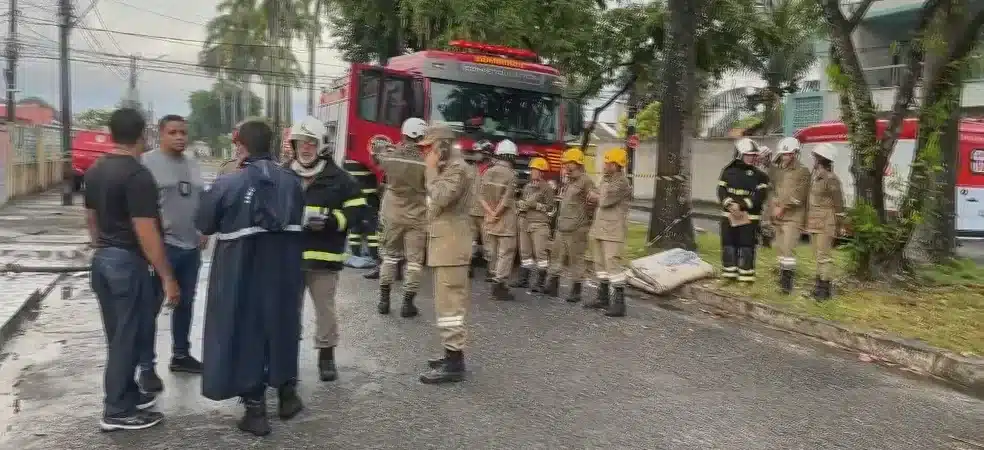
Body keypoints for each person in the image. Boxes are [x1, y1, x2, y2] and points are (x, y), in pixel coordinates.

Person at [196, 119, 306, 436]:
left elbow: (205, 222)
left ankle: (256, 411)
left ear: (241, 146)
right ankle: (287, 396)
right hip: (284, 270)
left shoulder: (229, 183)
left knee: (246, 331)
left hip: (242, 271)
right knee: (283, 326)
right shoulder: (293, 181)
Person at [84, 107, 176, 431]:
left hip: (103, 261)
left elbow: (92, 219)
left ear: (111, 133)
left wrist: (102, 247)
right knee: (128, 337)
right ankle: (117, 411)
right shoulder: (137, 175)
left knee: (118, 336)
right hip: (126, 263)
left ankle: (127, 394)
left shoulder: (95, 170)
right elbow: (145, 230)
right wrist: (166, 276)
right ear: (144, 135)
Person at [287, 115, 365, 381]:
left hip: (324, 258)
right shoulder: (283, 175)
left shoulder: (341, 179)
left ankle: (326, 357)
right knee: (288, 311)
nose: (305, 148)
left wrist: (333, 221)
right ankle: (286, 358)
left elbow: (357, 212)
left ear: (321, 145)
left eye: (311, 142)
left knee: (325, 311)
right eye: (301, 143)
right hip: (289, 258)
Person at [135, 115, 206, 395]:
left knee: (185, 303)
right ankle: (147, 367)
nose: (179, 137)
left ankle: (180, 355)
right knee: (150, 307)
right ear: (161, 134)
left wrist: (203, 229)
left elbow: (199, 200)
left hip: (191, 247)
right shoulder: (146, 163)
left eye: (183, 132)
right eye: (173, 132)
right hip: (161, 248)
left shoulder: (192, 163)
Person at [418, 122, 473, 384]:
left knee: (451, 305)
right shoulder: (448, 170)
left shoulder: (457, 170)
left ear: (442, 146)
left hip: (452, 247)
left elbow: (440, 198)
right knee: (445, 304)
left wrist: (430, 170)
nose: (424, 153)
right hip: (445, 246)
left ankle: (455, 363)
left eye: (428, 148)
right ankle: (451, 355)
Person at [374, 118, 428, 316]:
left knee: (389, 257)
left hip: (393, 214)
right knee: (414, 262)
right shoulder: (426, 161)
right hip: (417, 216)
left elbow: (376, 159)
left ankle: (384, 301)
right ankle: (407, 304)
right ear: (422, 136)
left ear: (404, 134)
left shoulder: (392, 156)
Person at [544, 148, 596, 303]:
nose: (565, 167)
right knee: (556, 256)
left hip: (577, 229)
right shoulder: (568, 182)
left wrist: (586, 217)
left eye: (568, 163)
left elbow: (594, 200)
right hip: (562, 227)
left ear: (578, 164)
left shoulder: (586, 181)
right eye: (565, 163)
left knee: (576, 259)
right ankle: (552, 285)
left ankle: (576, 290)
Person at [586, 148, 632, 317]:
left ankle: (619, 304)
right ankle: (603, 297)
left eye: (607, 162)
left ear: (615, 165)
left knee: (613, 265)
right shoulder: (605, 179)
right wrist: (596, 195)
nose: (604, 164)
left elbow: (604, 200)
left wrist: (597, 195)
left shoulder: (621, 183)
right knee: (600, 265)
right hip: (599, 228)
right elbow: (593, 195)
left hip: (613, 230)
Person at [717, 138, 770, 283]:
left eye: (753, 155)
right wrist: (730, 205)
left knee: (747, 247)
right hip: (729, 215)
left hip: (750, 217)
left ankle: (746, 278)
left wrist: (741, 206)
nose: (751, 158)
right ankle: (729, 275)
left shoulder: (760, 175)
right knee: (728, 245)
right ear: (740, 154)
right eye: (748, 155)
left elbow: (760, 196)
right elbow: (721, 190)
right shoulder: (728, 171)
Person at [769, 137, 811, 294]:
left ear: (794, 154)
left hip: (793, 217)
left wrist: (783, 207)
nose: (784, 157)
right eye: (783, 154)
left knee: (788, 250)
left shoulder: (803, 172)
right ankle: (780, 276)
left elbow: (799, 196)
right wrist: (774, 205)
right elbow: (773, 188)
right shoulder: (779, 170)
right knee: (780, 248)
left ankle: (787, 285)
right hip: (778, 214)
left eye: (787, 154)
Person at [481, 139, 519, 300]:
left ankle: (495, 277)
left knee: (494, 252)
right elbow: (507, 200)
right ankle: (499, 285)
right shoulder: (511, 175)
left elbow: (480, 196)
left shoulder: (488, 172)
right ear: (511, 156)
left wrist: (490, 213)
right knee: (506, 253)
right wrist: (497, 213)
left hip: (489, 219)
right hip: (505, 220)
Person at [806, 143, 845, 301]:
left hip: (826, 221)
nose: (813, 160)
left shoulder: (831, 179)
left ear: (821, 159)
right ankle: (818, 288)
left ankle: (824, 291)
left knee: (824, 256)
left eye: (815, 157)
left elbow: (839, 204)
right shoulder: (816, 177)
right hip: (815, 220)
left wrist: (840, 225)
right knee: (817, 255)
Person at [513, 156, 555, 291]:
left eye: (535, 170)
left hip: (539, 224)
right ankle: (523, 280)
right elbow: (522, 201)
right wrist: (520, 204)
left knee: (540, 254)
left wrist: (535, 205)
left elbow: (551, 208)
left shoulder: (547, 188)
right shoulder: (527, 186)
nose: (532, 172)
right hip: (525, 222)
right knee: (525, 253)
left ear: (542, 172)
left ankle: (540, 283)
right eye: (531, 169)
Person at [344, 156, 381, 265]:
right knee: (372, 231)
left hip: (354, 199)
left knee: (355, 229)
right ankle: (374, 256)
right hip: (369, 200)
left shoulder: (346, 161)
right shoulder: (367, 160)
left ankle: (355, 254)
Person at [468, 140, 494, 278]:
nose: (476, 155)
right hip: (471, 210)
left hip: (486, 213)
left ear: (486, 153)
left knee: (488, 242)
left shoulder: (493, 171)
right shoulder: (471, 169)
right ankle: (469, 266)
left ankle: (491, 270)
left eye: (478, 152)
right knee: (470, 241)